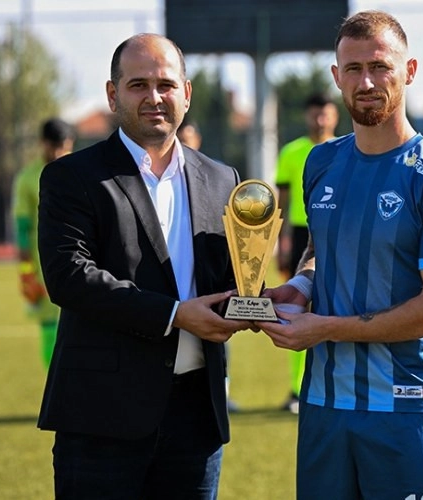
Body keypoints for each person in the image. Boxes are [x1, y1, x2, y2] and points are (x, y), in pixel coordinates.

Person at [257, 10, 423, 499]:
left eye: (380, 67)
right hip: (324, 407)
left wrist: (325, 328)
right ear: (337, 77)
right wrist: (301, 285)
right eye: (353, 69)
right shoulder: (321, 162)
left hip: (405, 406)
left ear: (409, 71)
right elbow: (319, 249)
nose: (367, 82)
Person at [36, 33, 252, 499]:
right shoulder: (72, 177)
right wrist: (174, 315)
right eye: (138, 85)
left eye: (166, 84)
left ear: (186, 93)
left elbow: (227, 279)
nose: (154, 97)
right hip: (102, 418)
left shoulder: (223, 179)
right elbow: (69, 276)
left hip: (196, 420)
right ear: (113, 95)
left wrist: (249, 304)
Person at [274, 92, 339, 414]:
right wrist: (280, 243)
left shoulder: (348, 149)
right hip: (302, 235)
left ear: (335, 116)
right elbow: (282, 203)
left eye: (325, 113)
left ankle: (332, 384)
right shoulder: (291, 152)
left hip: (337, 233)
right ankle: (297, 389)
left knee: (335, 305)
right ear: (306, 116)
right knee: (296, 308)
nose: (320, 119)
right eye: (315, 113)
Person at [175, 118, 240, 414]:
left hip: (212, 285)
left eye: (189, 138)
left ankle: (221, 394)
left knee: (218, 334)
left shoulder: (220, 177)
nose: (185, 144)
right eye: (182, 139)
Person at [11, 117, 74, 368]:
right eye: (53, 146)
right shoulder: (28, 178)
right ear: (42, 144)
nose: (58, 153)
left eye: (63, 146)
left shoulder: (81, 171)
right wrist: (26, 273)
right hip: (44, 264)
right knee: (50, 326)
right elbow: (22, 228)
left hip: (84, 260)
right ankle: (55, 381)